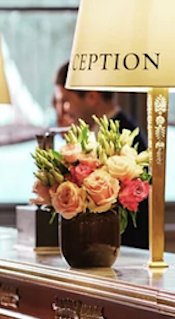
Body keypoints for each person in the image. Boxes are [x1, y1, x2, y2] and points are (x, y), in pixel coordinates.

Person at [54, 62, 148, 249]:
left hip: (124, 249)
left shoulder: (123, 135)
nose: (63, 109)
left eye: (66, 100)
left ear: (91, 96)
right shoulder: (93, 133)